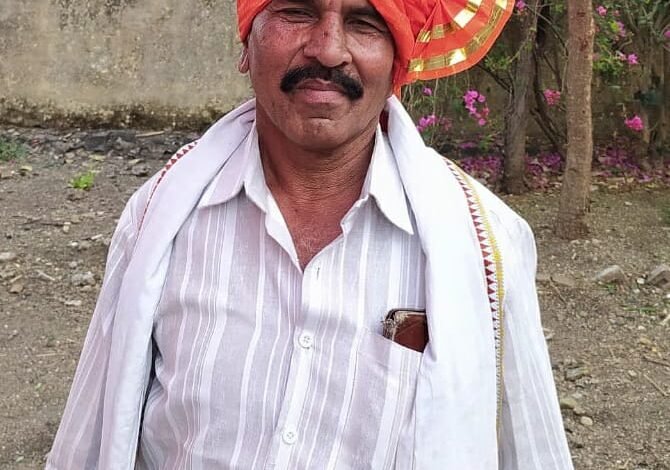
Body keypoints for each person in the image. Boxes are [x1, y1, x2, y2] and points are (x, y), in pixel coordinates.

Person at [47, 0, 573, 469]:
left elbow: (531, 451)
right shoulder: (160, 218)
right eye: (297, 11)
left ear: (397, 64)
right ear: (247, 43)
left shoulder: (485, 243)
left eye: (365, 22)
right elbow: (90, 439)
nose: (328, 50)